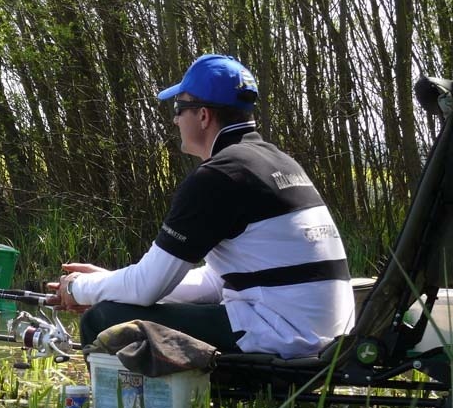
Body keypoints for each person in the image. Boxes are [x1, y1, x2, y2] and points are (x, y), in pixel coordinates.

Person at [47, 54, 355, 359]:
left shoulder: (218, 177)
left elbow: (146, 287)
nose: (175, 119)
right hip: (324, 331)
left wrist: (77, 288)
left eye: (179, 109)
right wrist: (109, 282)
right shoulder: (275, 162)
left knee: (105, 319)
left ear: (203, 116)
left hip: (287, 335)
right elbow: (213, 281)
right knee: (122, 304)